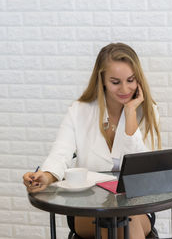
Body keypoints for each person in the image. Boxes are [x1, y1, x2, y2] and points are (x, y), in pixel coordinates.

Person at [22, 43, 161, 239]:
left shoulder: (147, 111)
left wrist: (130, 114)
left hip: (135, 206)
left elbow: (144, 168)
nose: (125, 89)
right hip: (87, 206)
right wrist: (46, 175)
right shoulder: (79, 110)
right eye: (115, 82)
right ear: (102, 79)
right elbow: (61, 154)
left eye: (131, 80)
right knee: (109, 221)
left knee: (126, 220)